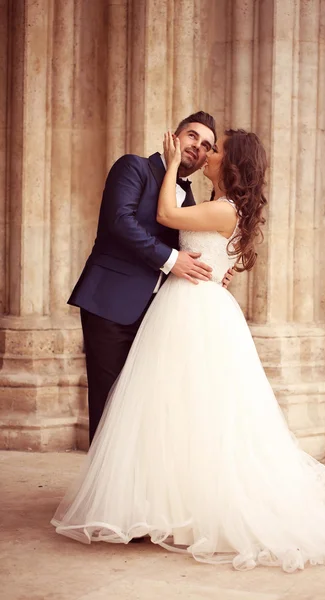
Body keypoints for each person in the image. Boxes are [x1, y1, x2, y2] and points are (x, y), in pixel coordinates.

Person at [52, 129, 325, 572]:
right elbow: (180, 238)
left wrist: (170, 165)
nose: (207, 153)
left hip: (192, 309)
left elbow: (166, 215)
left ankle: (187, 504)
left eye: (216, 148)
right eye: (199, 142)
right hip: (184, 304)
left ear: (232, 164)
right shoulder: (214, 204)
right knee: (173, 408)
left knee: (196, 409)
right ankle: (157, 499)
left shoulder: (221, 208)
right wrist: (216, 269)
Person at [68, 111, 233, 443]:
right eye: (192, 136)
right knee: (110, 400)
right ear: (173, 135)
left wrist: (214, 274)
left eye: (206, 146)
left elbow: (196, 249)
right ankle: (107, 491)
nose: (198, 147)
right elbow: (119, 221)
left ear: (206, 161)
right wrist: (172, 260)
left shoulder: (189, 199)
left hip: (157, 315)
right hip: (110, 303)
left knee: (143, 404)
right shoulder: (133, 167)